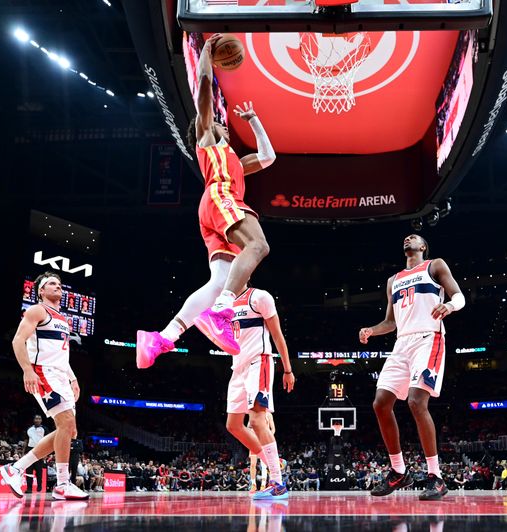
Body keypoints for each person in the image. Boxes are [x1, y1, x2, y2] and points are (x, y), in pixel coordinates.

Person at [136, 32, 276, 368]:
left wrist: (254, 121)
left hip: (215, 209)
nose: (223, 125)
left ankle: (163, 337)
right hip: (220, 198)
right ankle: (222, 311)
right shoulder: (208, 139)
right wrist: (207, 54)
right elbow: (202, 87)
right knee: (259, 246)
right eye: (218, 122)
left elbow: (268, 157)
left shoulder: (234, 160)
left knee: (218, 281)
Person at [359, 234, 465, 501]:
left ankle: (436, 477)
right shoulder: (392, 280)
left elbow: (459, 296)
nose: (408, 238)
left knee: (417, 402)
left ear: (423, 246)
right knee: (380, 403)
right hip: (401, 343)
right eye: (406, 237)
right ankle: (398, 471)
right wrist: (372, 330)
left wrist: (449, 306)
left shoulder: (435, 265)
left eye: (414, 237)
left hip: (428, 338)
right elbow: (390, 322)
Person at [0, 272, 89, 500]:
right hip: (43, 373)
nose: (57, 286)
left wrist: (73, 378)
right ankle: (62, 484)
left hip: (61, 375)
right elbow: (18, 340)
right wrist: (27, 370)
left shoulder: (63, 318)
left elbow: (61, 354)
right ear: (40, 290)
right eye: (51, 283)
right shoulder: (37, 310)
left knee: (67, 431)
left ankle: (16, 468)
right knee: (66, 423)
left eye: (59, 284)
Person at [223, 285, 295, 500]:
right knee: (233, 425)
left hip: (259, 362)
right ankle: (274, 462)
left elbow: (278, 335)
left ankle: (278, 483)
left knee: (256, 420)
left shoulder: (259, 296)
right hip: (238, 368)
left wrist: (288, 369)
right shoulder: (224, 303)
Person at [248, 411, 275, 493]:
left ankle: (263, 485)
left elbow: (273, 429)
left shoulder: (268, 414)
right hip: (254, 441)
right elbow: (248, 428)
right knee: (252, 464)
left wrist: (268, 437)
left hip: (263, 441)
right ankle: (253, 485)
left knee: (263, 465)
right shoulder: (253, 413)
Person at [25, 415, 46, 493]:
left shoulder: (45, 429)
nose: (37, 420)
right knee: (29, 470)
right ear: (34, 420)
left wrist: (45, 453)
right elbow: (26, 440)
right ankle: (29, 488)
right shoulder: (29, 429)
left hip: (40, 450)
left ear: (41, 420)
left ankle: (39, 487)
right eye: (36, 418)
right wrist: (24, 452)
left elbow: (47, 442)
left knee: (39, 471)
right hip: (30, 450)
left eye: (39, 418)